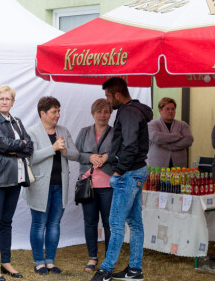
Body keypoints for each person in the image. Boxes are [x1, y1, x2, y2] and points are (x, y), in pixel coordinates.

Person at [91, 77, 153, 281]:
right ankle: (135, 270)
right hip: (137, 171)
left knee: (116, 223)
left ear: (117, 95)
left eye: (108, 96)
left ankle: (106, 270)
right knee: (135, 223)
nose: (108, 102)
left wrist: (118, 172)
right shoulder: (136, 111)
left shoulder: (127, 112)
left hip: (128, 173)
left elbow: (129, 145)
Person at [0, 85, 33, 281]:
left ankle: (6, 261)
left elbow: (30, 147)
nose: (4, 101)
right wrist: (18, 146)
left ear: (13, 102)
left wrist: (15, 148)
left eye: (8, 99)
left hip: (14, 178)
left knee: (6, 223)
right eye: (1, 98)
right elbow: (3, 144)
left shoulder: (17, 122)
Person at [24, 96, 79, 275]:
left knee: (54, 224)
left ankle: (50, 261)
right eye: (54, 112)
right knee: (39, 224)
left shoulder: (63, 130)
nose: (58, 115)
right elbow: (30, 158)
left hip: (59, 185)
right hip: (40, 186)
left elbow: (75, 154)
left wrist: (64, 150)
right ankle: (39, 261)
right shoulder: (32, 132)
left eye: (58, 111)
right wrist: (53, 148)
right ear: (43, 113)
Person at [75, 99, 114, 272]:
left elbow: (120, 153)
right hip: (88, 185)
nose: (103, 115)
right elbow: (76, 153)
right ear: (93, 114)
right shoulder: (84, 132)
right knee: (90, 222)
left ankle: (109, 258)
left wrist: (106, 156)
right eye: (99, 112)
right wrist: (89, 157)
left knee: (108, 223)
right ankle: (92, 258)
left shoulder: (115, 133)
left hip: (108, 185)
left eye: (106, 111)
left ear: (110, 113)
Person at [147, 97, 193, 168]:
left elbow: (189, 140)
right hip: (158, 167)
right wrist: (177, 136)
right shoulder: (152, 124)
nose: (170, 111)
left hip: (179, 167)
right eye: (167, 109)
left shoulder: (182, 125)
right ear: (160, 110)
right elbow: (156, 137)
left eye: (173, 109)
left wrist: (169, 146)